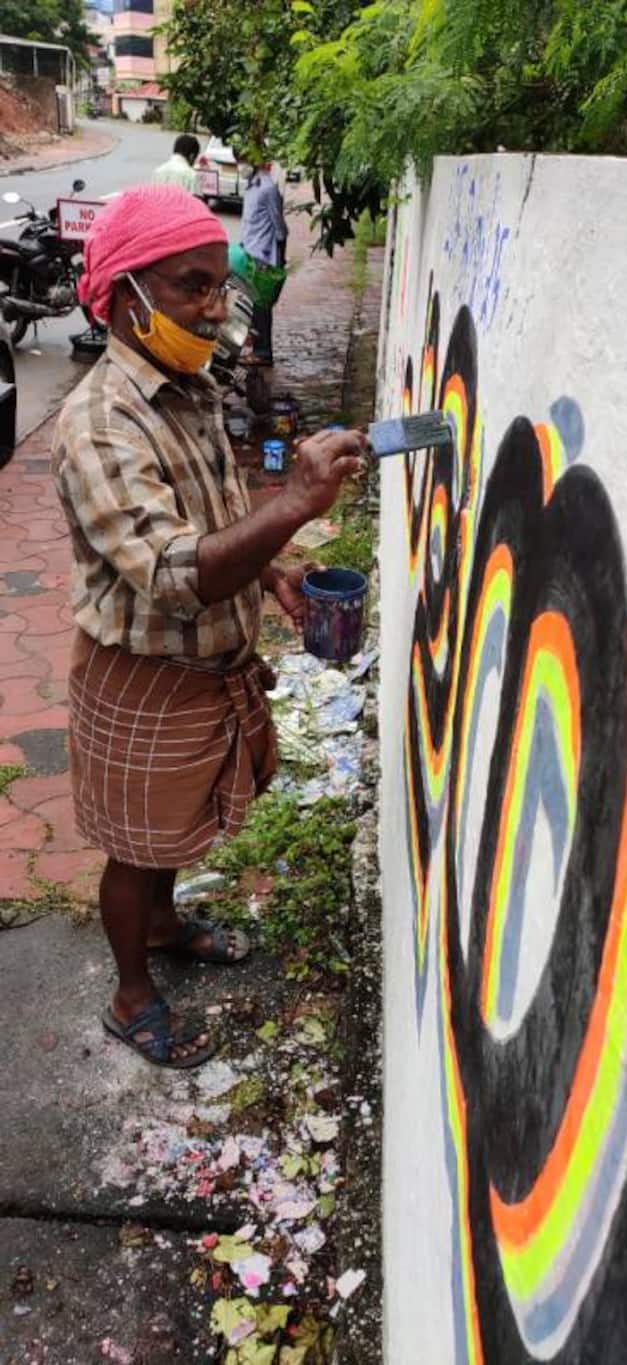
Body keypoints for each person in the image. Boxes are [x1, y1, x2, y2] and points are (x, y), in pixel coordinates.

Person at [54, 183, 369, 1068]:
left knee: (169, 832)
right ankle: (130, 994)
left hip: (202, 670)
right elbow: (171, 572)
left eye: (218, 283)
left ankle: (163, 925)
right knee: (132, 847)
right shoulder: (99, 424)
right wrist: (295, 503)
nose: (214, 305)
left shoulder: (187, 385)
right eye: (191, 286)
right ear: (125, 298)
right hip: (143, 676)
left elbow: (212, 514)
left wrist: (270, 570)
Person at [240, 160, 287, 365]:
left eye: (243, 160)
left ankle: (263, 352)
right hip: (249, 254)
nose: (240, 165)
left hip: (263, 257)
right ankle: (256, 347)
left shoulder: (268, 189)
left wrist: (279, 261)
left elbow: (280, 229)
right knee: (252, 304)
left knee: (261, 306)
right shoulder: (251, 187)